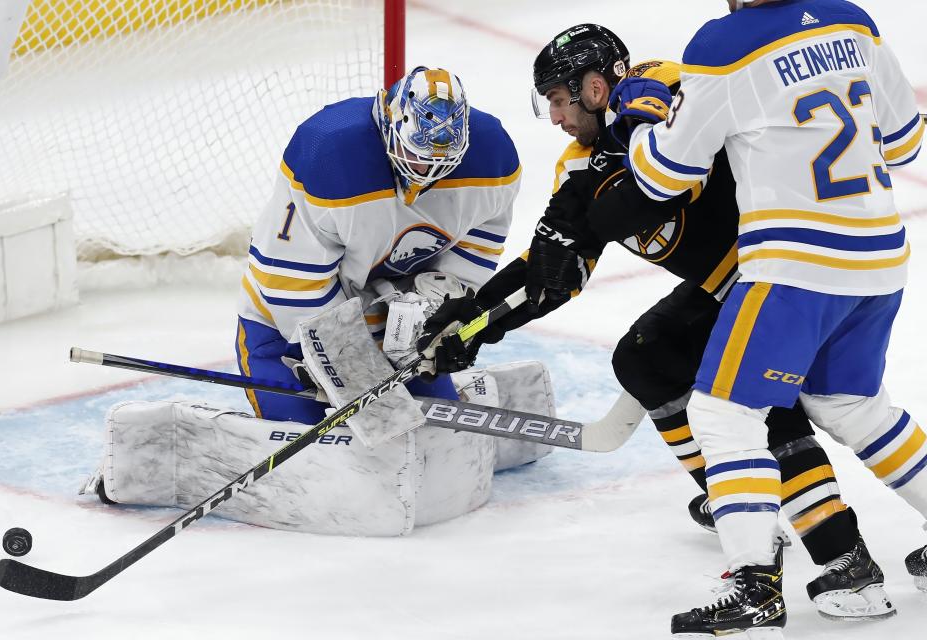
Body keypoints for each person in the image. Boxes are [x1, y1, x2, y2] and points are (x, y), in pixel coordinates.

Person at [417, 22, 896, 621]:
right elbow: (553, 272)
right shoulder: (580, 164)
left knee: (761, 412)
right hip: (737, 288)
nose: (557, 119)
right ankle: (735, 500)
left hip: (786, 280)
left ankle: (842, 556)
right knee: (647, 352)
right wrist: (477, 321)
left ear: (596, 87)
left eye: (561, 101)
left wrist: (598, 188)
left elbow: (664, 138)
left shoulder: (662, 82)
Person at [613, 0, 926, 636]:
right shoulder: (853, 20)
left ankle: (755, 588)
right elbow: (907, 141)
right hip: (879, 257)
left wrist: (639, 116)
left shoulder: (724, 42)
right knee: (851, 404)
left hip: (794, 269)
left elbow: (664, 174)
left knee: (723, 414)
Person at [235, 65, 521, 423]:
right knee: (321, 463)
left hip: (397, 334)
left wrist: (439, 324)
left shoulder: (493, 158)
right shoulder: (327, 152)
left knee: (434, 446)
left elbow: (476, 251)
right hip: (286, 334)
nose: (428, 170)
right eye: (417, 153)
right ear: (391, 125)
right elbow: (289, 281)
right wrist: (347, 366)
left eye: (442, 160)